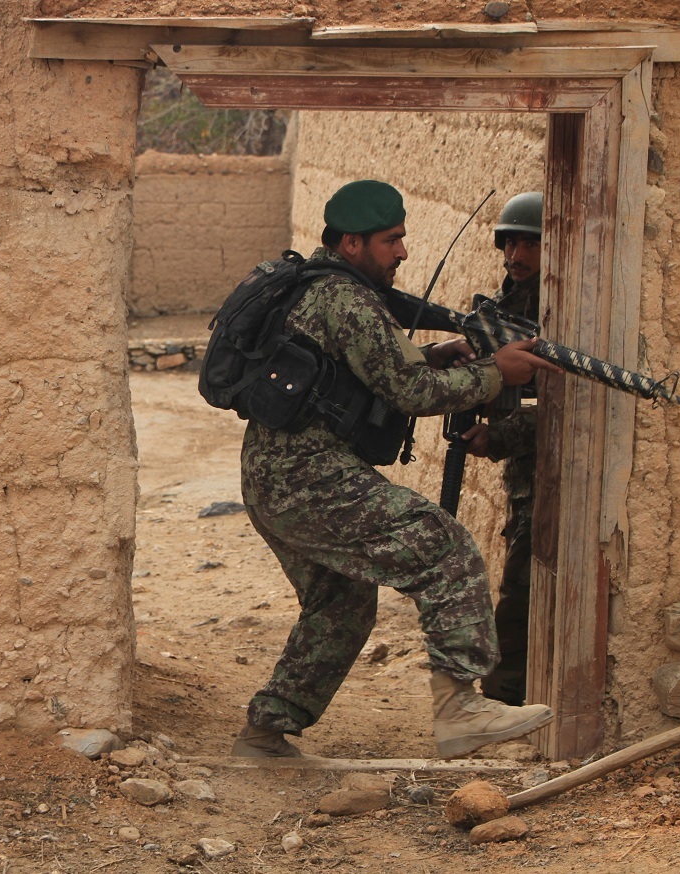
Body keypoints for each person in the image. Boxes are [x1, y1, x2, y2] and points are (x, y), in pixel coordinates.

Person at [232, 180, 557, 760]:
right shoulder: (347, 300)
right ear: (352, 243)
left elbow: (368, 372)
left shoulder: (324, 289)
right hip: (308, 478)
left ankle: (266, 731)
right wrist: (495, 373)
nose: (402, 252)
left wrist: (434, 355)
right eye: (391, 240)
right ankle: (460, 710)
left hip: (273, 479)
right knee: (445, 548)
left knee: (342, 605)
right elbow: (409, 391)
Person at [461, 192, 543, 707]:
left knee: (526, 583)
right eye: (509, 244)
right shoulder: (503, 309)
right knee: (520, 579)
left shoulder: (558, 311)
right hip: (526, 475)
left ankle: (506, 693)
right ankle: (504, 693)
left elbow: (563, 403)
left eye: (529, 245)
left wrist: (501, 436)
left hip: (556, 468)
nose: (516, 255)